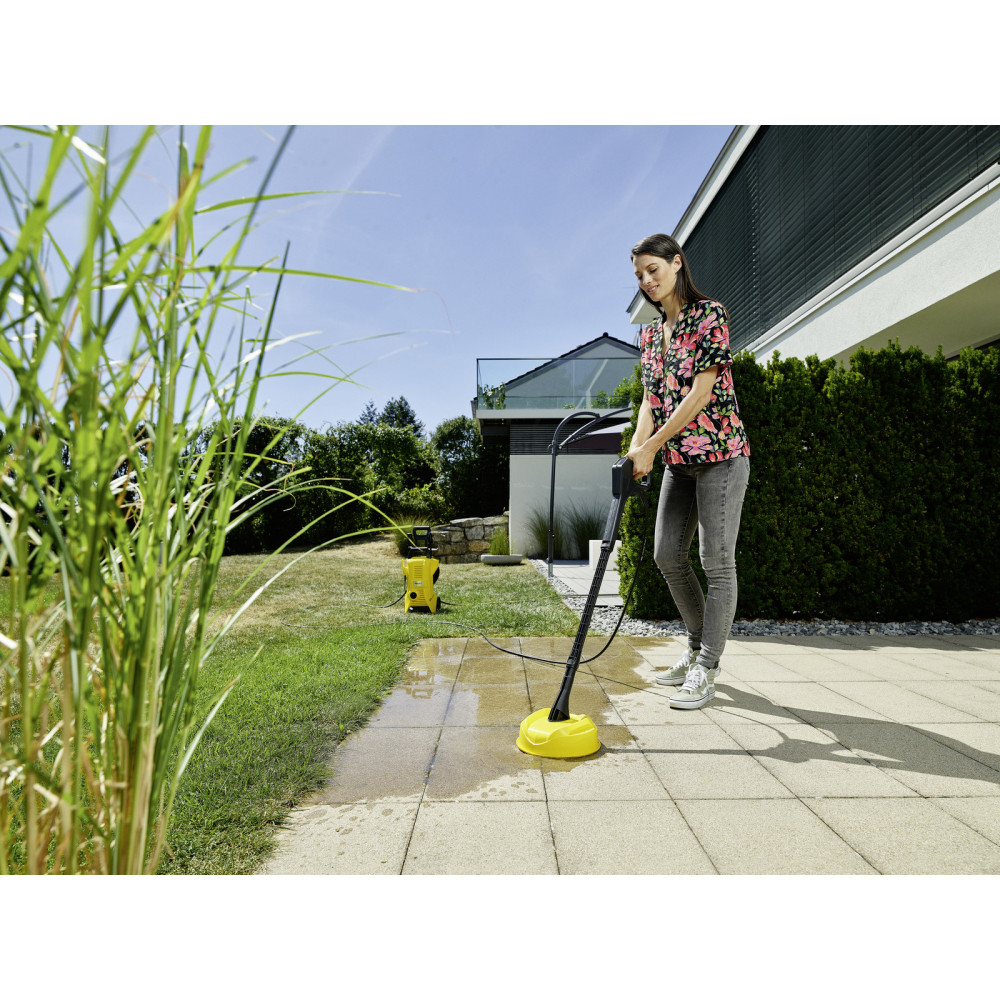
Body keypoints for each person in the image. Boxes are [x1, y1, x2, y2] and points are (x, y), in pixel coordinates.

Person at [625, 234, 751, 710]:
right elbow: (649, 400)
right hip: (680, 462)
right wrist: (639, 447)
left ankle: (707, 667)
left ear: (677, 264)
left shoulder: (709, 315)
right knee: (666, 555)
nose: (647, 281)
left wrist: (653, 447)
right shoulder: (651, 335)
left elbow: (701, 393)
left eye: (653, 269)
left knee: (717, 563)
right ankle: (697, 648)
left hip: (721, 454)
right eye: (639, 275)